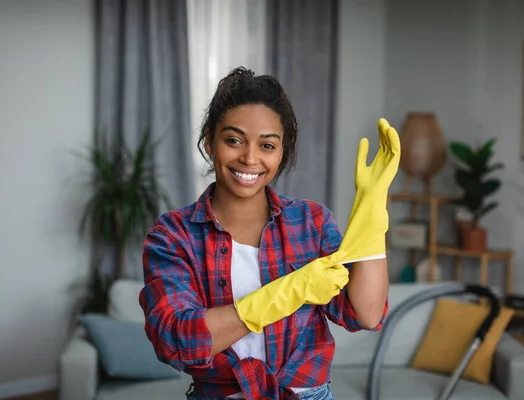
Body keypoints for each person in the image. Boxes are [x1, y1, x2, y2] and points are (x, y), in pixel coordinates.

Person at [139, 66, 401, 400]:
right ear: (209, 141)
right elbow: (175, 339)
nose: (249, 158)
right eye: (233, 140)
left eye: (267, 145)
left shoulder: (311, 222)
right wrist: (289, 291)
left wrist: (372, 211)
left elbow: (365, 313)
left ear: (282, 152)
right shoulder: (173, 235)